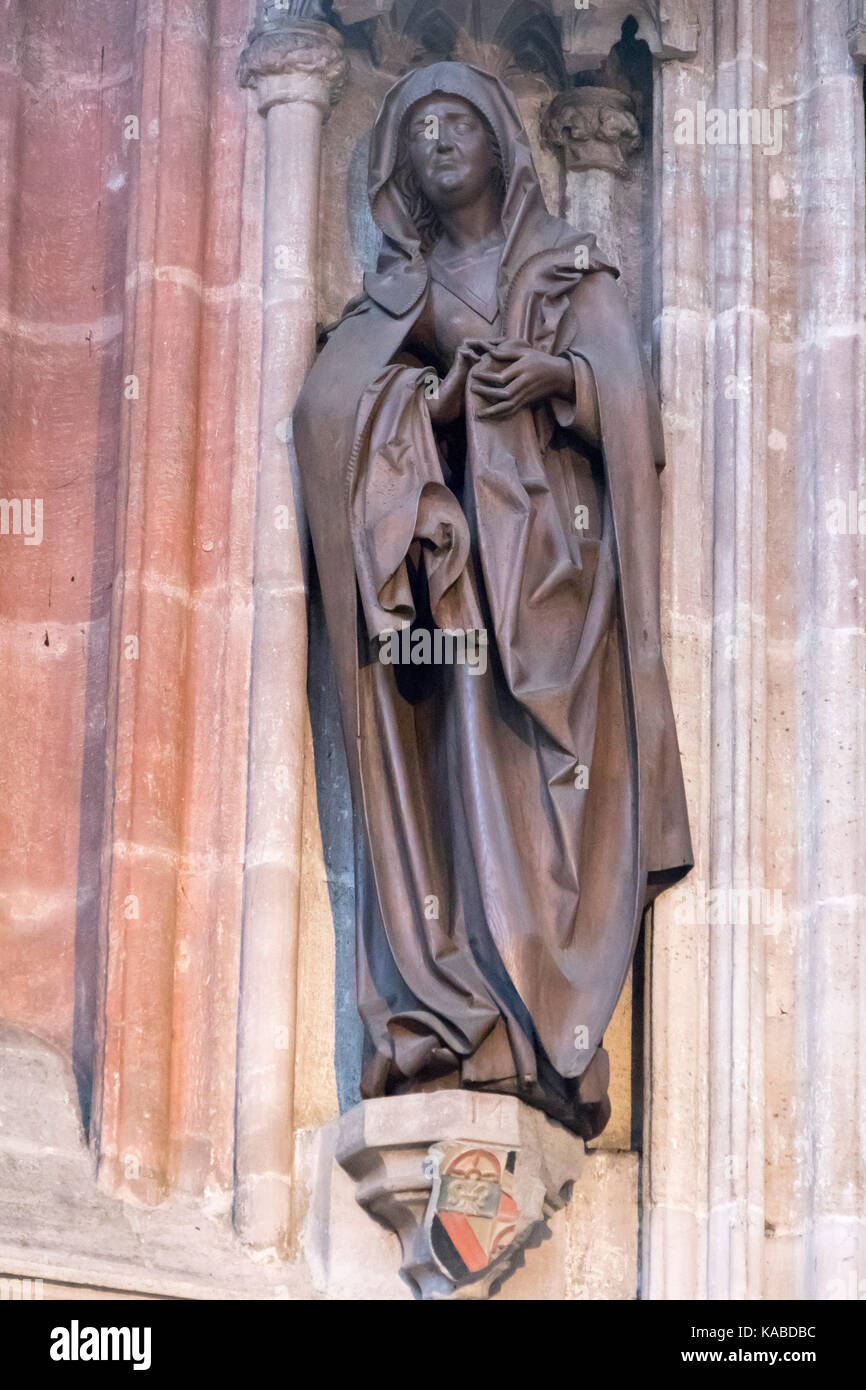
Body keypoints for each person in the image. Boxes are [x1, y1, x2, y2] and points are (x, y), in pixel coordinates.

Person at [293, 62, 692, 1139]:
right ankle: (465, 1011)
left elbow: (631, 409)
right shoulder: (398, 294)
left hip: (557, 572)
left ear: (498, 143)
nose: (436, 138)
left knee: (548, 785)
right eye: (415, 126)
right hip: (460, 580)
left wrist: (554, 382)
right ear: (399, 169)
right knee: (460, 776)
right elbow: (335, 403)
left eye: (456, 119)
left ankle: (551, 1031)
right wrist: (429, 401)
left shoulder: (564, 267)